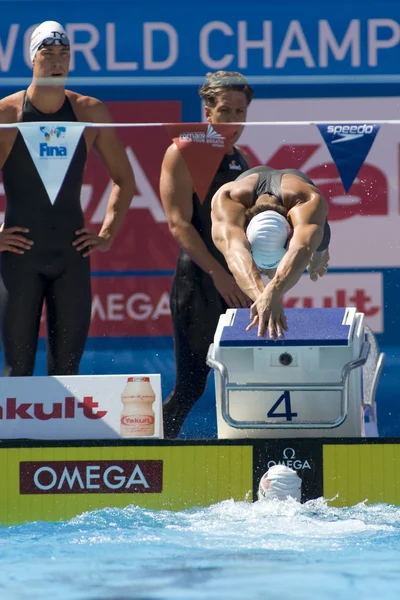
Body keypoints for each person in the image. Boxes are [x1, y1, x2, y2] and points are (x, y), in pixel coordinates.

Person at [0, 21, 135, 376]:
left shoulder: (90, 112)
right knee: (18, 368)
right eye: (48, 53)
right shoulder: (7, 115)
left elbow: (125, 179)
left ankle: (61, 434)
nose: (57, 61)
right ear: (32, 58)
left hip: (71, 257)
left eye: (64, 54)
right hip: (19, 258)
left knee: (67, 369)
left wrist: (106, 234)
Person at [160, 71, 254, 439]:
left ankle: (250, 457)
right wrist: (219, 274)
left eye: (241, 112)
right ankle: (150, 456)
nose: (234, 121)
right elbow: (179, 224)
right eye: (226, 112)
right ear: (208, 112)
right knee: (191, 386)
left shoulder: (242, 158)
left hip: (237, 281)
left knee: (245, 379)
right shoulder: (182, 151)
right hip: (198, 281)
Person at [211, 165, 331, 340]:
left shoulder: (308, 199)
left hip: (297, 191)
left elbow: (301, 249)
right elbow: (234, 253)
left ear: (291, 234)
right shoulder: (228, 198)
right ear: (245, 234)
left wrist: (273, 291)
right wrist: (264, 298)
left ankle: (320, 253)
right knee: (244, 259)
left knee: (316, 254)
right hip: (248, 184)